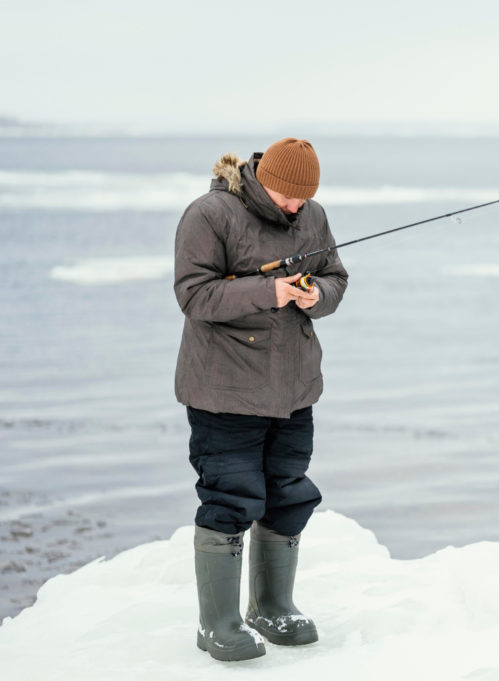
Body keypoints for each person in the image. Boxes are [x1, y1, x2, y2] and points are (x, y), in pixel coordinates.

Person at [173, 138, 348, 661]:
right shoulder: (209, 214)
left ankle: (272, 607)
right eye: (288, 196)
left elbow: (336, 277)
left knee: (288, 493)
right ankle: (217, 624)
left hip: (293, 389)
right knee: (230, 498)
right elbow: (194, 294)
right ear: (262, 179)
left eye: (304, 197)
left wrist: (317, 295)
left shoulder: (313, 215)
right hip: (224, 390)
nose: (296, 206)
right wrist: (268, 291)